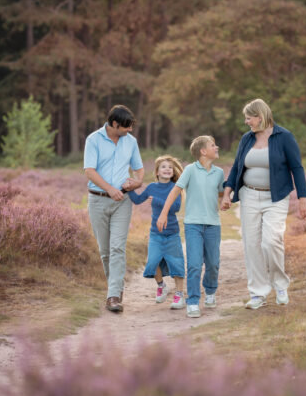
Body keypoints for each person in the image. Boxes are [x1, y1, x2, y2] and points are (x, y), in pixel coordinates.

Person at [220, 98, 306, 310]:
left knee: (271, 242)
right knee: (252, 245)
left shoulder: (284, 137)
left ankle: (280, 285)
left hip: (276, 197)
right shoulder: (246, 139)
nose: (246, 122)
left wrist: (303, 198)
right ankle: (258, 293)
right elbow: (236, 167)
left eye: (248, 118)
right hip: (249, 196)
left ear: (260, 117)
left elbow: (297, 168)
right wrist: (227, 193)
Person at [84, 105, 144, 313]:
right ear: (115, 124)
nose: (129, 131)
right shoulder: (93, 140)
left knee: (118, 247)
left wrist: (138, 182)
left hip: (123, 201)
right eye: (126, 127)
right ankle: (116, 288)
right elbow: (89, 171)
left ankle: (113, 295)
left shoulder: (131, 142)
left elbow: (139, 168)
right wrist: (109, 189)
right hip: (98, 200)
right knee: (105, 251)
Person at [157, 136, 225, 319]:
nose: (216, 147)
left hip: (213, 225)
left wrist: (225, 200)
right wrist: (164, 213)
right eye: (213, 145)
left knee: (213, 263)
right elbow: (175, 191)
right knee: (194, 264)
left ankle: (210, 291)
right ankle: (193, 301)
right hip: (193, 224)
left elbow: (220, 194)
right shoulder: (190, 170)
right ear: (203, 151)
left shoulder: (219, 173)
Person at [128, 155, 186, 310]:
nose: (167, 169)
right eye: (163, 167)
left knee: (176, 264)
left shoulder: (176, 187)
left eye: (170, 167)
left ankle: (179, 295)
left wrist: (157, 201)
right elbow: (138, 200)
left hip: (172, 233)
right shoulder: (152, 188)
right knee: (153, 263)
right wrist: (128, 188)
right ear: (157, 172)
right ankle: (161, 286)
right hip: (155, 233)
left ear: (173, 172)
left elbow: (176, 208)